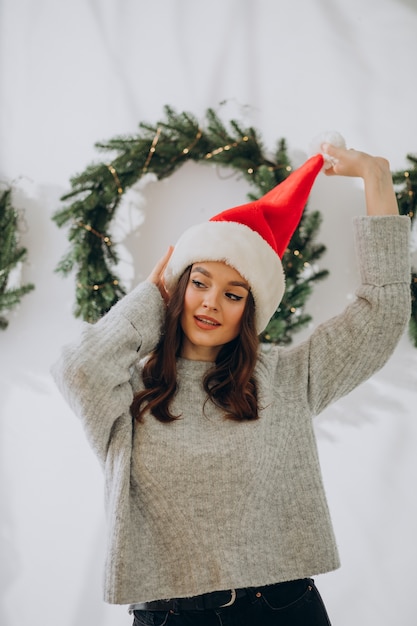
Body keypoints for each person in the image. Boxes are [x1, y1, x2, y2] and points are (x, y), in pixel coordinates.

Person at [52, 141, 411, 626]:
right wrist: (148, 300)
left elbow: (380, 314)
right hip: (168, 617)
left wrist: (375, 176)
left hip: (280, 608)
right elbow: (78, 368)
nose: (210, 304)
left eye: (233, 293)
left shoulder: (285, 377)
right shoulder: (127, 392)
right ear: (176, 288)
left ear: (251, 309)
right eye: (198, 283)